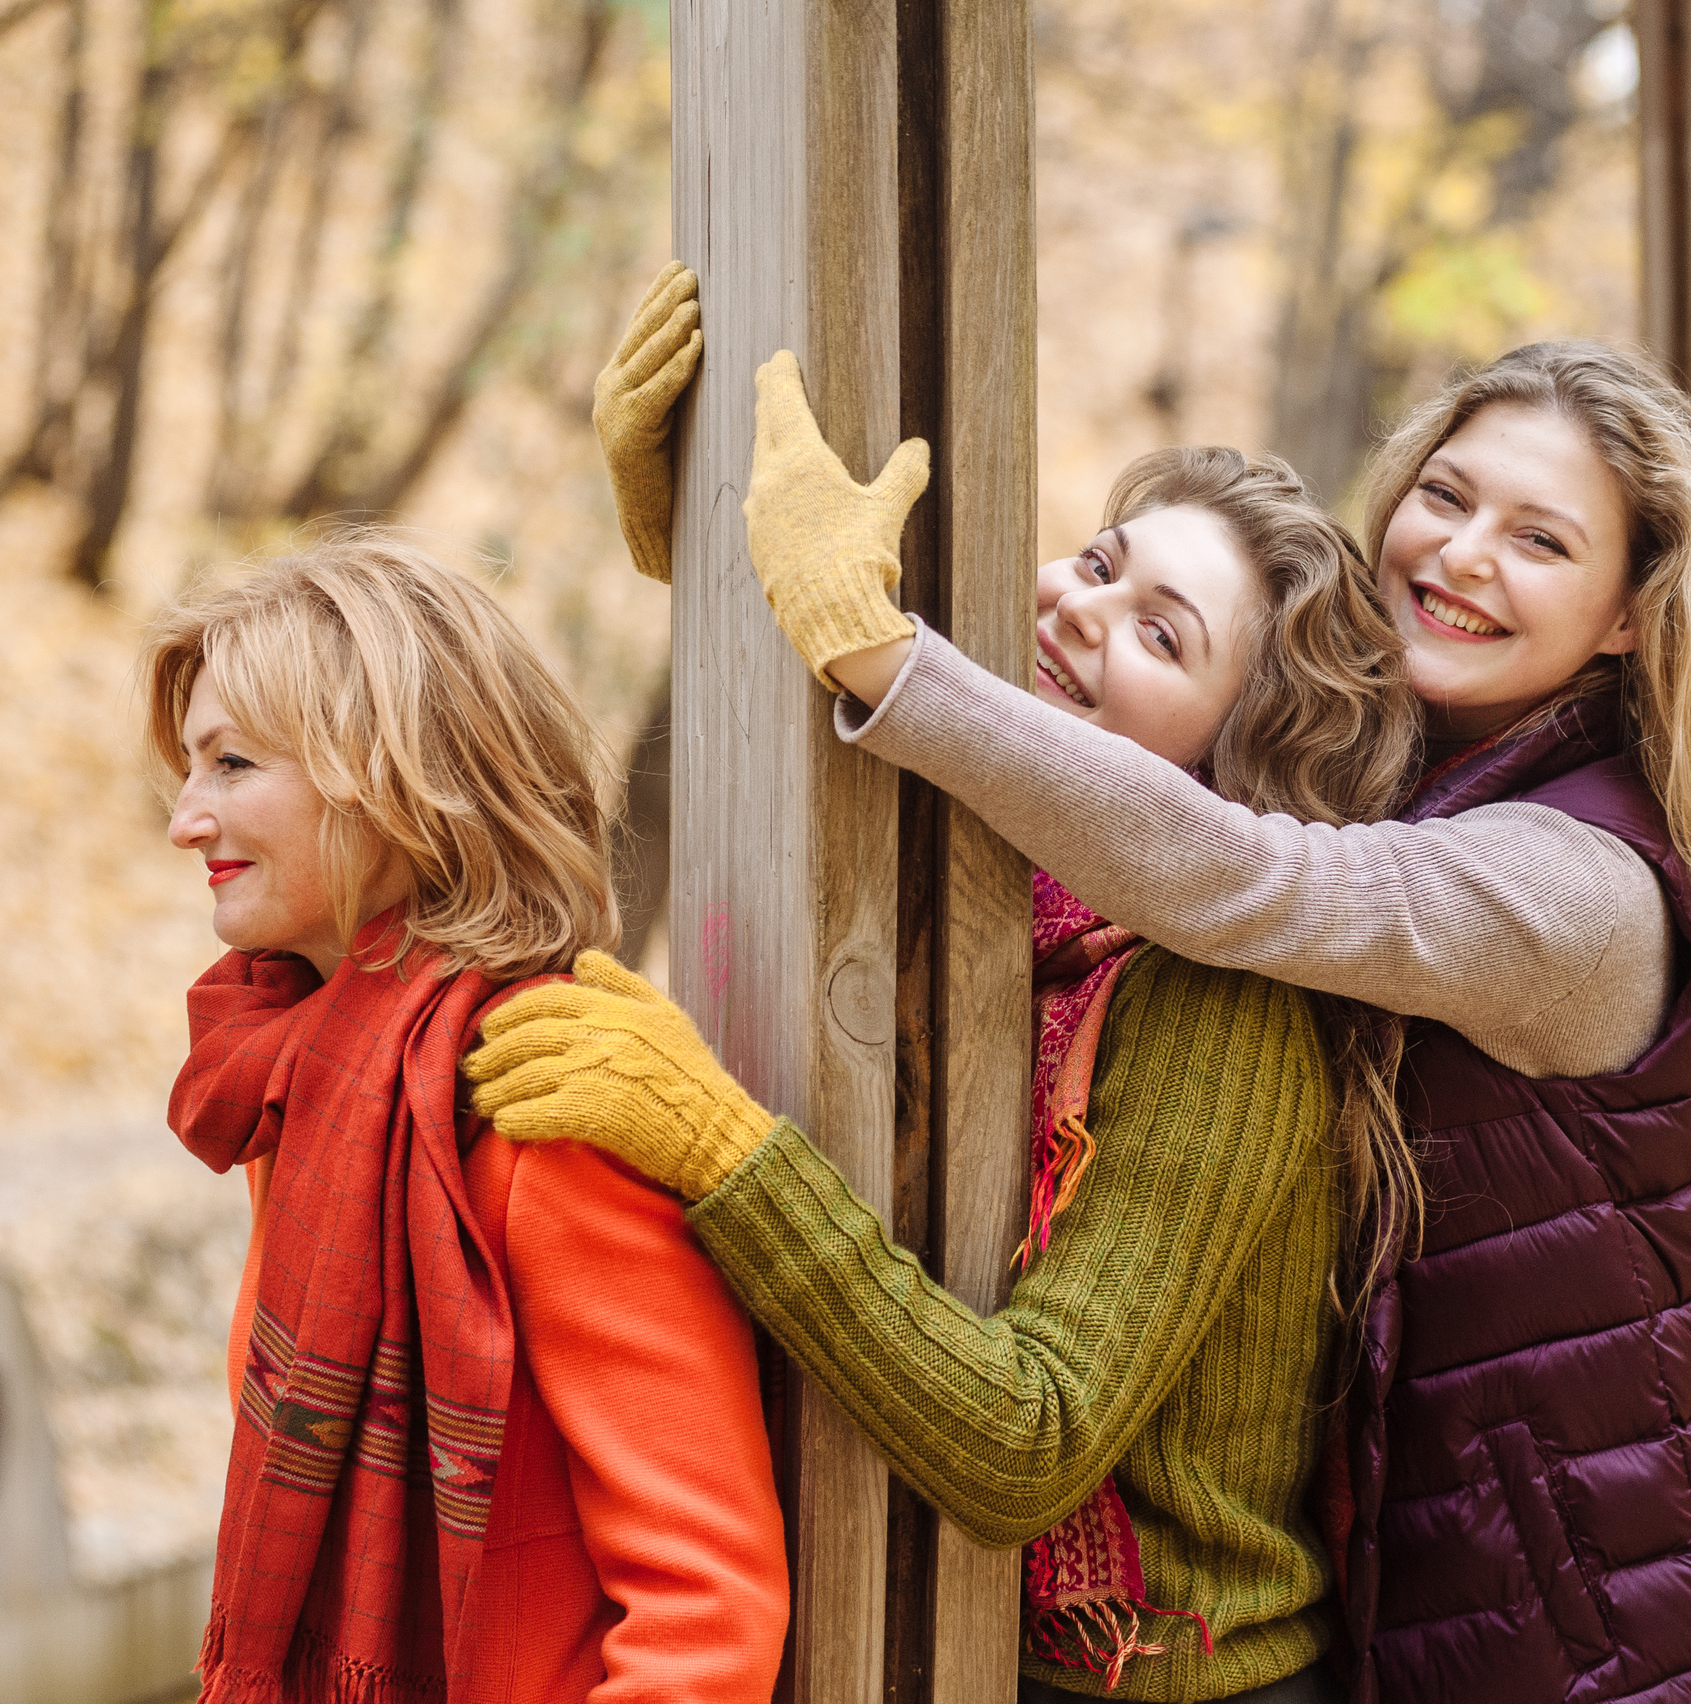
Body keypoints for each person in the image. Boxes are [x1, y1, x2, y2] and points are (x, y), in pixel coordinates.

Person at [553, 273, 1691, 1704]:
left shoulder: (1570, 889)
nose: (1464, 554)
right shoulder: (1379, 761)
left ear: (1628, 619)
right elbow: (1016, 782)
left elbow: (1246, 878)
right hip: (1434, 1568)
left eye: (1540, 539)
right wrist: (704, 546)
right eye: (1448, 495)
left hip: (1614, 1621)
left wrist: (875, 646)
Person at [469, 417, 1427, 1703]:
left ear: (1228, 759)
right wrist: (695, 538)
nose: (1087, 614)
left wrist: (718, 1147)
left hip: (1156, 1682)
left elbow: (1029, 1443)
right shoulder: (1003, 885)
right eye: (1099, 567)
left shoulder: (1220, 1014)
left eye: (1161, 634)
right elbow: (858, 751)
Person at [149, 534, 789, 1704]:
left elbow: (707, 1618)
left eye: (232, 764)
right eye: (189, 771)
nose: (186, 819)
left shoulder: (539, 1108)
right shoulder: (318, 1093)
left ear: (391, 778)